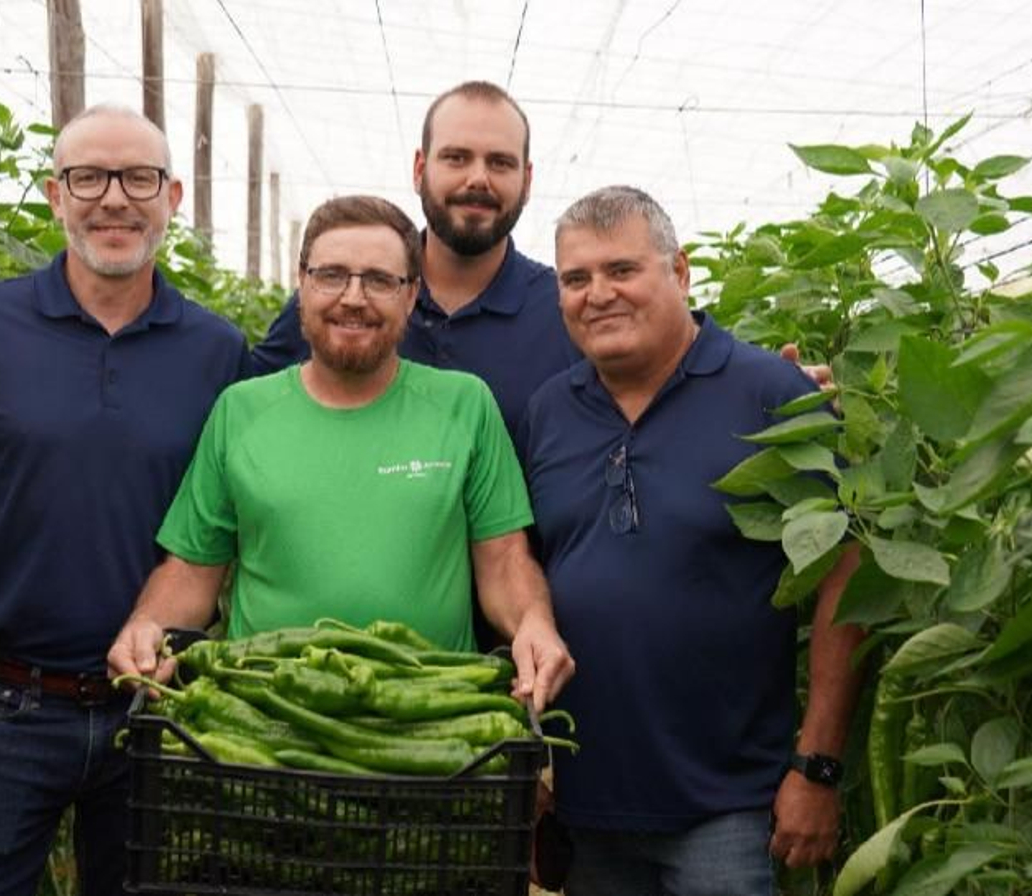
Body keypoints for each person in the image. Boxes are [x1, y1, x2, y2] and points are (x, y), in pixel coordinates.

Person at [0, 104, 249, 896]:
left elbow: (233, 525)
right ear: (55, 195)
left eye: (138, 178)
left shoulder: (218, 351)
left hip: (160, 704)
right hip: (2, 702)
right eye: (88, 177)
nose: (114, 198)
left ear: (172, 196)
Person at [521, 186, 866, 895]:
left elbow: (846, 572)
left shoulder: (769, 392)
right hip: (591, 809)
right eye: (576, 279)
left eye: (623, 270)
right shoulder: (550, 410)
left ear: (678, 273)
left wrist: (818, 765)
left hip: (730, 808)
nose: (599, 295)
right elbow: (526, 571)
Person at [107, 195, 574, 714]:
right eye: (332, 275)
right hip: (265, 719)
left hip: (429, 721)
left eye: (379, 280)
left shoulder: (465, 406)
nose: (354, 298)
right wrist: (147, 624)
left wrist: (533, 621)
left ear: (412, 294)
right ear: (302, 284)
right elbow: (193, 570)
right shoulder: (241, 411)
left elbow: (505, 559)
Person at [250, 81, 576, 447]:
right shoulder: (339, 305)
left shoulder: (565, 315)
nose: (478, 179)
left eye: (500, 163)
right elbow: (250, 415)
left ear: (527, 180)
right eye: (456, 158)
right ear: (420, 169)